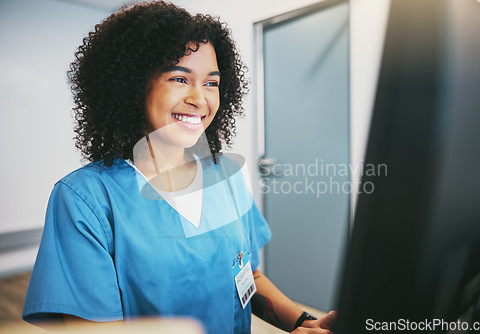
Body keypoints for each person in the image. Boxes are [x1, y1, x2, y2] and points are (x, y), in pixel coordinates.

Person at [22, 2, 336, 333]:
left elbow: (246, 274)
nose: (200, 99)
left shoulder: (224, 174)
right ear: (132, 84)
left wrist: (304, 324)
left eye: (212, 83)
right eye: (179, 78)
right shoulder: (85, 199)